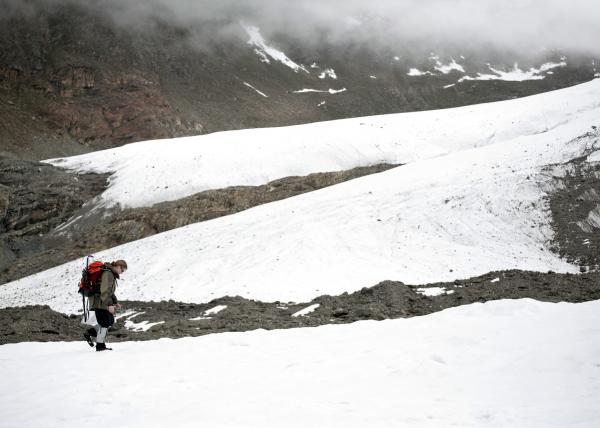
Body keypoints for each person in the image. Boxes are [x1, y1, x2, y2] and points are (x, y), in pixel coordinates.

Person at [83, 260, 127, 351]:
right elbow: (105, 290)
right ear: (118, 266)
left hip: (101, 300)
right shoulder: (108, 273)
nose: (122, 273)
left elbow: (110, 291)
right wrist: (109, 304)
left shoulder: (110, 273)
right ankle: (100, 345)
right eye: (122, 270)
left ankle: (91, 334)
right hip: (99, 301)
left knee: (108, 321)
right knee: (105, 322)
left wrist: (115, 302)